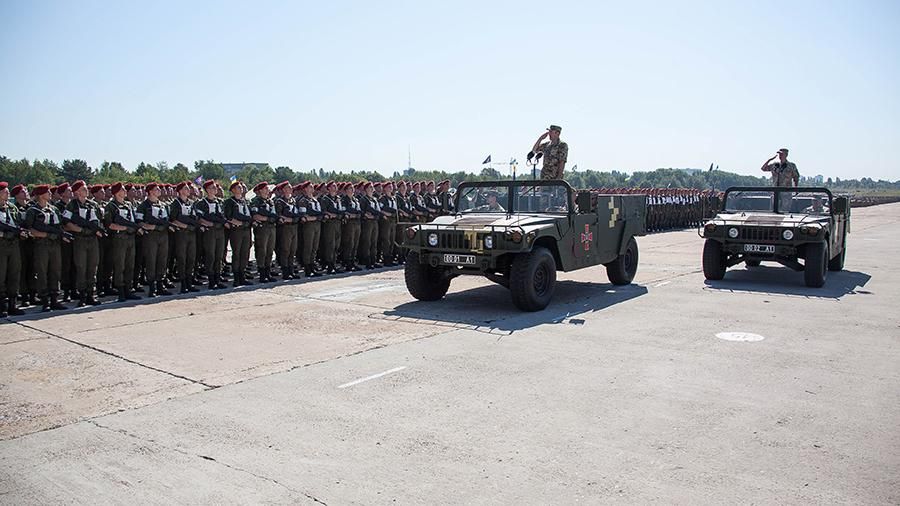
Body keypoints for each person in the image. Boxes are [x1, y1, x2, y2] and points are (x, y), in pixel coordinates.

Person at [62, 180, 104, 306]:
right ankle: (82, 296)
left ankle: (91, 294)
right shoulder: (72, 205)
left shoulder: (93, 205)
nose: (86, 191)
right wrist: (79, 229)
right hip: (80, 239)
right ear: (77, 192)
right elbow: (66, 222)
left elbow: (98, 221)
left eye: (86, 188)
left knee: (92, 267)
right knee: (81, 268)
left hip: (92, 239)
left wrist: (95, 230)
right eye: (83, 189)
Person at [104, 182, 143, 302]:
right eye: (122, 190)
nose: (124, 191)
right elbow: (109, 224)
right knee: (120, 265)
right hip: (119, 239)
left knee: (129, 265)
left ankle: (128, 289)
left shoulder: (128, 204)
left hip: (130, 238)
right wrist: (124, 228)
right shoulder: (111, 206)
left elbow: (133, 220)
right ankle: (121, 291)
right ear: (116, 192)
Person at [137, 183, 173, 297]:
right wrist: (149, 226)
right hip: (150, 237)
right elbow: (139, 221)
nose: (159, 190)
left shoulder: (162, 205)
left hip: (163, 235)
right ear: (150, 192)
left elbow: (166, 219)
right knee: (151, 261)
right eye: (156, 189)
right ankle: (152, 287)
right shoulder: (143, 206)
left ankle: (160, 285)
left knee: (162, 260)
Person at [194, 180, 228, 290]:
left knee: (219, 256)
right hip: (210, 232)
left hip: (220, 231)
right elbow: (200, 219)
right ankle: (211, 280)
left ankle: (218, 279)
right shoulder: (201, 203)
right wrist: (209, 222)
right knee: (210, 256)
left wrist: (217, 220)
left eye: (215, 188)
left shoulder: (219, 202)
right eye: (213, 188)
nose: (215, 190)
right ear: (207, 190)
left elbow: (222, 216)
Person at [169, 181, 201, 294]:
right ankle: (183, 284)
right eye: (186, 189)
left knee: (191, 258)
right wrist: (186, 224)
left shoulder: (191, 203)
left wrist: (188, 222)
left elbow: (194, 217)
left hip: (191, 234)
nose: (189, 191)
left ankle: (189, 282)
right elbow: (174, 219)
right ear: (181, 191)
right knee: (182, 259)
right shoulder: (175, 203)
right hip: (181, 234)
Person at [0, 181, 26, 316]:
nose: (8, 193)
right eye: (5, 191)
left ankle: (12, 304)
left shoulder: (12, 208)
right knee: (1, 275)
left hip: (14, 244)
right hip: (1, 245)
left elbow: (18, 223)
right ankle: (1, 306)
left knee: (14, 273)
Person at [223, 181, 253, 287]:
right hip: (236, 231)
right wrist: (238, 221)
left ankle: (242, 276)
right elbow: (228, 216)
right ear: (233, 190)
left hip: (246, 229)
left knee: (245, 254)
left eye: (241, 187)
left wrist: (243, 221)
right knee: (237, 254)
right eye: (238, 187)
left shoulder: (246, 201)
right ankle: (236, 278)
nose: (241, 189)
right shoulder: (229, 202)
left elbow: (251, 216)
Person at [249, 181, 278, 283]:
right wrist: (268, 218)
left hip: (271, 228)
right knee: (262, 251)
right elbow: (256, 216)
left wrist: (267, 217)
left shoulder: (270, 201)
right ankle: (262, 273)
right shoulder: (256, 201)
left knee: (270, 251)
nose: (268, 190)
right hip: (262, 229)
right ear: (260, 190)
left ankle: (268, 272)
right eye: (265, 189)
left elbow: (274, 215)